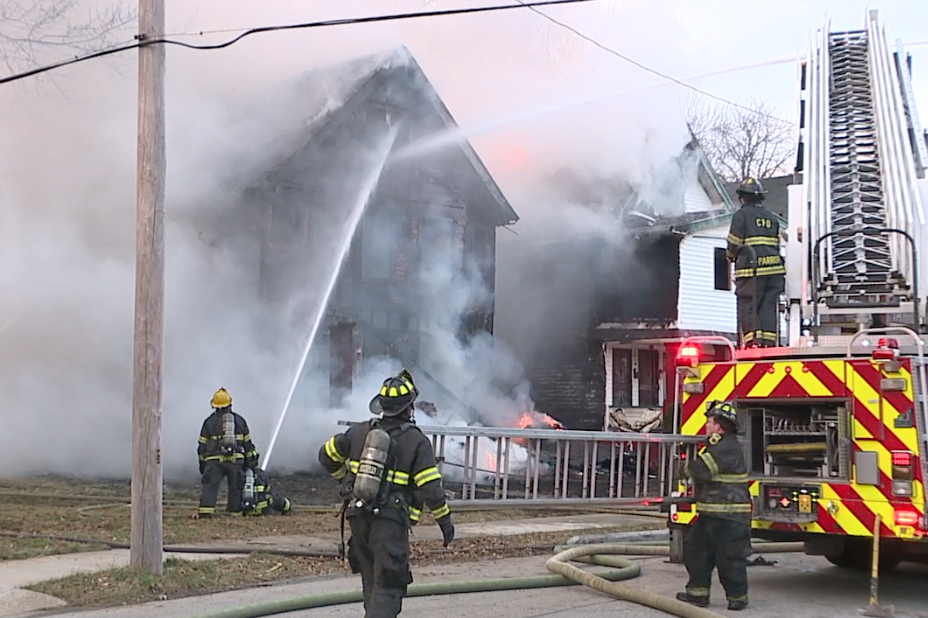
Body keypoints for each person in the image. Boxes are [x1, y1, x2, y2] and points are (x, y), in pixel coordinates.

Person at [318, 369, 455, 618]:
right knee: (390, 585)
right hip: (389, 524)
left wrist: (345, 481)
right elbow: (430, 488)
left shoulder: (359, 432)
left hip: (358, 519)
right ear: (408, 408)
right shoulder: (416, 441)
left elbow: (326, 456)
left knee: (372, 582)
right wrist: (445, 521)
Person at [676, 400, 752, 611]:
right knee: (696, 552)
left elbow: (702, 470)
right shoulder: (719, 445)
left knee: (729, 558)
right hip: (712, 514)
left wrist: (682, 468)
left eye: (710, 422)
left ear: (719, 426)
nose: (707, 425)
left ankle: (738, 598)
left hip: (730, 516)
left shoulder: (727, 447)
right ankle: (697, 594)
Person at [726, 177, 785, 348]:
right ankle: (769, 342)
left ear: (742, 197)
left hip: (751, 271)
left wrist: (730, 256)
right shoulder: (772, 218)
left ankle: (754, 342)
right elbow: (775, 243)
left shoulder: (741, 216)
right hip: (774, 271)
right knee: (768, 306)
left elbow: (734, 243)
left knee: (749, 305)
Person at [196, 388, 259, 518]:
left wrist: (202, 463)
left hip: (214, 462)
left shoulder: (209, 422)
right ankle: (234, 513)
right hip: (235, 461)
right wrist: (250, 462)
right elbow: (248, 445)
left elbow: (202, 446)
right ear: (230, 404)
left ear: (215, 406)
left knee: (210, 486)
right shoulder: (240, 421)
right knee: (236, 487)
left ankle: (205, 513)